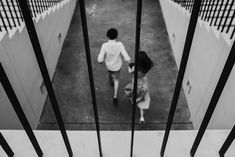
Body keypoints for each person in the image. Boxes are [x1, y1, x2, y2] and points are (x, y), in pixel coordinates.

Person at [98, 28, 131, 105]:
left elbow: (100, 59)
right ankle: (115, 96)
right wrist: (128, 60)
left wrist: (101, 61)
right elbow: (126, 57)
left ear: (107, 36)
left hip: (109, 65)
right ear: (116, 36)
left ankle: (110, 81)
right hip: (117, 66)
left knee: (110, 73)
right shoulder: (119, 44)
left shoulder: (104, 45)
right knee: (116, 79)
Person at [124, 51, 153, 123]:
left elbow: (129, 71)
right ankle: (142, 117)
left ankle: (133, 101)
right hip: (143, 85)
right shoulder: (146, 68)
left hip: (136, 83)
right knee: (142, 101)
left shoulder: (135, 68)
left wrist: (129, 63)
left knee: (133, 93)